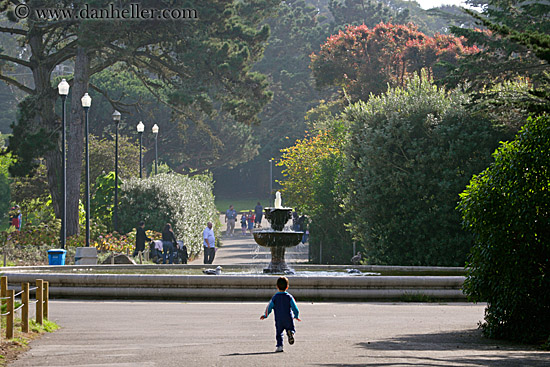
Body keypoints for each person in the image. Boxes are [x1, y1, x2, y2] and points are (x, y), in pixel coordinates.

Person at [260, 276, 301, 353]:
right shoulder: (289, 297)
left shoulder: (275, 297)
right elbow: (294, 307)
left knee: (279, 333)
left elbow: (269, 306)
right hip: (288, 318)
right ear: (287, 287)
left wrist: (265, 315)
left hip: (279, 319)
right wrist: (296, 315)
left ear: (277, 286)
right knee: (291, 328)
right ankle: (290, 333)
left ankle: (279, 346)